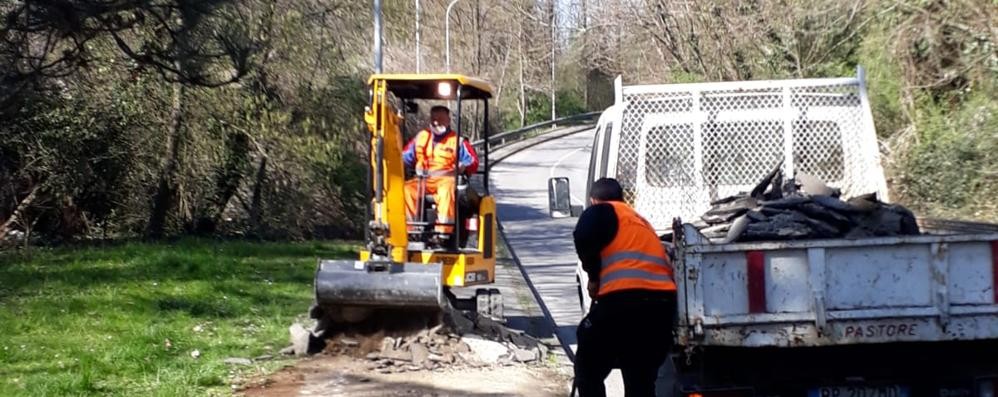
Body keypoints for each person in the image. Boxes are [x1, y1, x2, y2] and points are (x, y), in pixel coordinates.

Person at [572, 178, 677, 397]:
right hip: (662, 310)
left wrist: (593, 277)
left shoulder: (602, 210)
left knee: (588, 366)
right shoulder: (639, 221)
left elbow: (582, 234)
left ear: (594, 200)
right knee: (640, 379)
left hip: (623, 303)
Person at [402, 105, 479, 236]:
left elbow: (473, 161)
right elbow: (405, 156)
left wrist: (463, 166)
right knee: (407, 189)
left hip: (446, 180)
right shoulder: (421, 137)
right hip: (423, 180)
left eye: (440, 119)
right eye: (433, 119)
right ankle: (411, 231)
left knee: (446, 191)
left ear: (448, 120)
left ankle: (443, 232)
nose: (436, 122)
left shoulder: (457, 141)